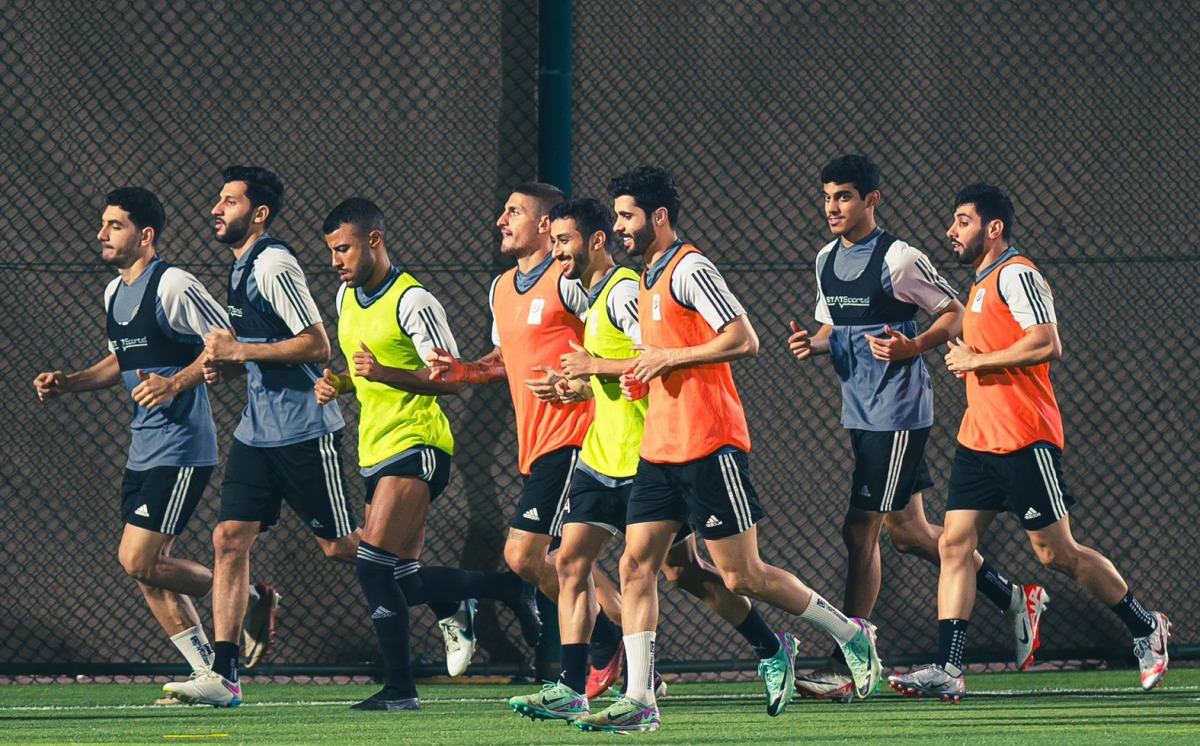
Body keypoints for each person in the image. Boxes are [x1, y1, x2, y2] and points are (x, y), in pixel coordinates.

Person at [575, 167, 883, 734]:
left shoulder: (690, 267)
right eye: (617, 217)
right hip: (660, 448)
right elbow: (657, 355)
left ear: (658, 217)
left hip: (711, 443)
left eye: (627, 216)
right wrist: (636, 372)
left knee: (742, 576)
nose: (619, 227)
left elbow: (744, 339)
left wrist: (667, 360)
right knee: (636, 564)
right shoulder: (644, 278)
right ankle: (642, 698)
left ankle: (848, 632)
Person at [506, 198, 788, 723]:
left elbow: (648, 363)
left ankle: (770, 645)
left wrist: (593, 369)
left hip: (645, 455)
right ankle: (574, 686)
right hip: (600, 454)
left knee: (687, 573)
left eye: (565, 241)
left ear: (595, 242)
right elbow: (617, 375)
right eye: (555, 242)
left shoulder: (623, 296)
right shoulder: (580, 291)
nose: (557, 251)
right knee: (570, 561)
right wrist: (578, 386)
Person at [888, 184, 1170, 703]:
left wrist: (977, 361)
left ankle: (1145, 626)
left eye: (963, 221)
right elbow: (997, 348)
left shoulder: (1018, 273)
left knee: (1056, 553)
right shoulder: (977, 286)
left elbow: (1047, 342)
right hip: (979, 439)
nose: (952, 231)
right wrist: (970, 357)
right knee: (953, 544)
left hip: (1025, 437)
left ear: (993, 228)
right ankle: (949, 667)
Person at [787, 155, 1047, 701]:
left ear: (871, 200)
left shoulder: (899, 258)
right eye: (828, 197)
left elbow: (953, 314)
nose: (833, 207)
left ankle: (849, 657)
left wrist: (913, 346)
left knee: (860, 531)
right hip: (859, 409)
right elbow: (835, 324)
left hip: (898, 412)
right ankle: (1011, 596)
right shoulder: (826, 259)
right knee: (906, 534)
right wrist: (811, 342)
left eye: (845, 197)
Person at [32, 187, 277, 705]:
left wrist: (175, 383)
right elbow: (120, 362)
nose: (102, 233)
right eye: (103, 224)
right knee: (144, 568)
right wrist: (69, 381)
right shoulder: (112, 294)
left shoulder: (172, 285)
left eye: (114, 225)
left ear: (145, 236)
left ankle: (249, 595)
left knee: (139, 557)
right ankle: (211, 676)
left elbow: (228, 349)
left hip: (183, 444)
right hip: (143, 447)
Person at [312, 198, 540, 710]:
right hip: (376, 448)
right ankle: (503, 590)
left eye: (343, 249)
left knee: (372, 568)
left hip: (418, 444)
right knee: (402, 580)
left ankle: (400, 691)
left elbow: (452, 381)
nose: (336, 262)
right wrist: (343, 384)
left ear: (375, 240)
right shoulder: (346, 297)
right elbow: (369, 371)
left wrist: (378, 374)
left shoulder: (414, 301)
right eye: (331, 251)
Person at [164, 167, 358, 707]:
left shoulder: (273, 264)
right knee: (227, 539)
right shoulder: (240, 266)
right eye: (218, 200)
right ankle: (224, 677)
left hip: (303, 431)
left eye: (228, 201)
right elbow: (256, 347)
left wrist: (240, 353)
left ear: (259, 213)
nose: (215, 209)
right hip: (257, 432)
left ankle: (446, 598)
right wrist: (226, 367)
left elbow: (317, 346)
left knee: (341, 547)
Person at [426, 182, 626, 680]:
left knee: (527, 553)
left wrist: (583, 381)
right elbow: (505, 361)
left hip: (578, 435)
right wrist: (466, 371)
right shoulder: (500, 288)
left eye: (512, 211)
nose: (501, 219)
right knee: (568, 561)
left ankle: (609, 646)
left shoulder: (568, 280)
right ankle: (630, 657)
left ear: (544, 224)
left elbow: (612, 337)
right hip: (536, 443)